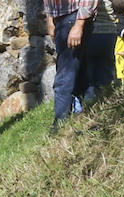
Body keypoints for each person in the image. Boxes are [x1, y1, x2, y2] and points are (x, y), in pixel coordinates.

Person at [44, 0, 96, 129]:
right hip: (61, 20)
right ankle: (87, 115)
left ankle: (60, 124)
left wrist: (79, 24)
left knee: (65, 74)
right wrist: (50, 21)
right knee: (79, 72)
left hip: (74, 18)